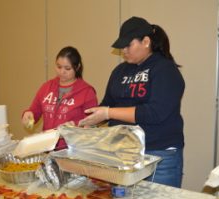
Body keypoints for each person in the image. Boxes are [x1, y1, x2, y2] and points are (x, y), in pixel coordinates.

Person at [78, 17, 185, 188]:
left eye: (129, 45)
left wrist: (108, 113)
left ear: (146, 41)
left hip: (159, 153)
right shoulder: (120, 71)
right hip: (122, 152)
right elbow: (107, 103)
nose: (124, 50)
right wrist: (93, 120)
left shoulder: (165, 69)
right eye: (122, 47)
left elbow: (154, 112)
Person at [22, 46, 98, 149]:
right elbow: (34, 111)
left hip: (72, 149)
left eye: (67, 68)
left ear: (77, 67)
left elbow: (92, 124)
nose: (62, 72)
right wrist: (28, 115)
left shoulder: (87, 92)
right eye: (58, 67)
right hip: (47, 147)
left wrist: (77, 127)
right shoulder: (46, 87)